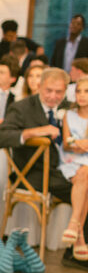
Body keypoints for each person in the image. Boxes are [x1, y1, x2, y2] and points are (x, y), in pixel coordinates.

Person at [0, 67, 88, 271]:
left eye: (59, 92)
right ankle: (76, 251)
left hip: (65, 167)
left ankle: (76, 244)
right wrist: (34, 132)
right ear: (39, 86)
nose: (53, 96)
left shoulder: (69, 109)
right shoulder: (22, 108)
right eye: (48, 91)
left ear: (66, 91)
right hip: (33, 172)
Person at [59, 76, 88, 260]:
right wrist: (79, 144)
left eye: (86, 91)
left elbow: (76, 143)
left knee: (85, 173)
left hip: (85, 161)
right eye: (79, 91)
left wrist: (79, 143)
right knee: (84, 174)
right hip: (71, 160)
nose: (82, 95)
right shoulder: (68, 115)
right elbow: (67, 144)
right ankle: (79, 235)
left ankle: (74, 226)